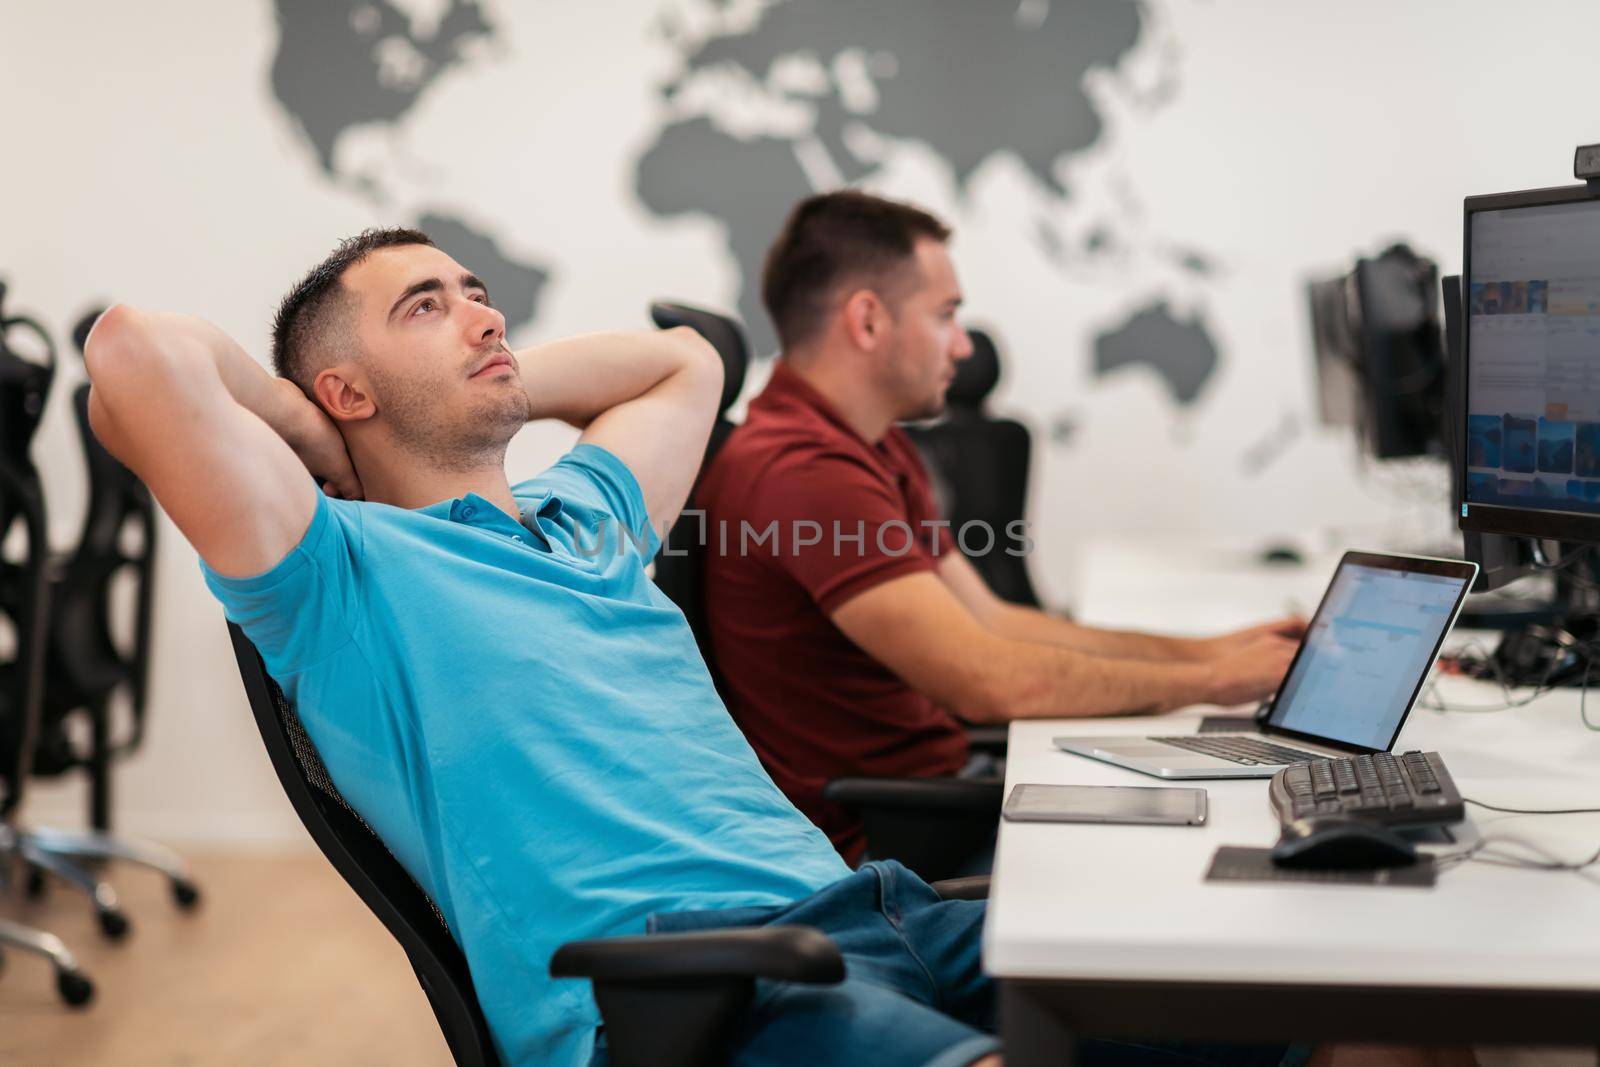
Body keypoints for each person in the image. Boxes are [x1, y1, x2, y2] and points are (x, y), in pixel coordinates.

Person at [83, 228, 1313, 1067]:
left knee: (1356, 1020)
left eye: (478, 294)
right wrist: (315, 426)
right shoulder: (337, 573)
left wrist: (480, 379)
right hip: (708, 988)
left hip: (881, 913)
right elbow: (133, 350)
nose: (480, 314)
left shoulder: (591, 520)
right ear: (345, 388)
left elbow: (691, 360)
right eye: (425, 305)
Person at [696, 191, 1304, 864]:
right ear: (867, 321)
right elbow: (989, 681)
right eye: (946, 315)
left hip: (944, 801)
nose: (962, 345)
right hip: (900, 848)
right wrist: (1209, 682)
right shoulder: (805, 471)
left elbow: (996, 621)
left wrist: (1214, 652)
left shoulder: (869, 444)